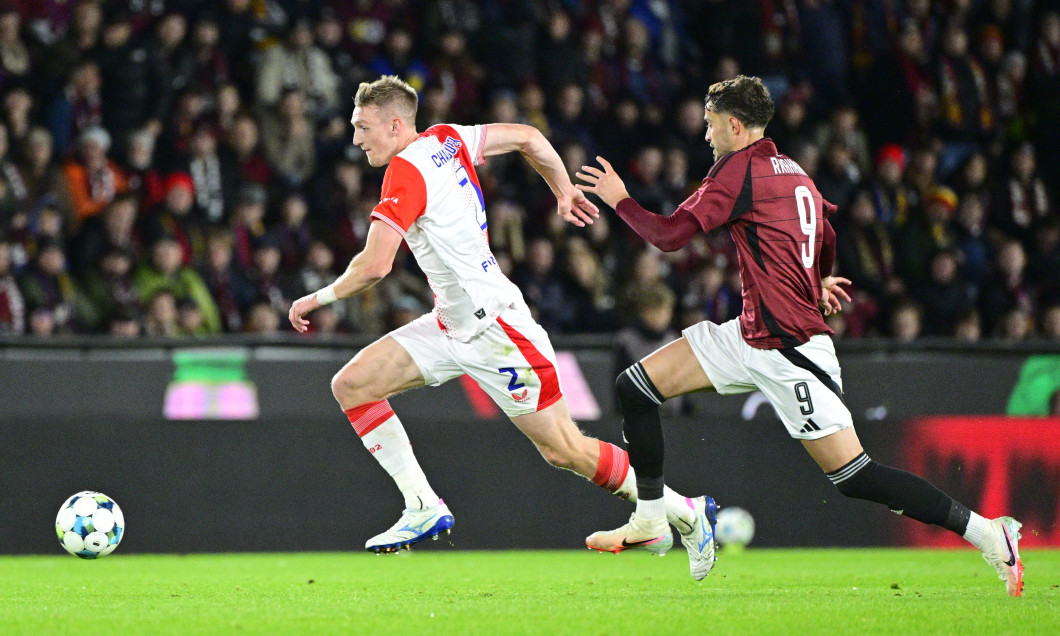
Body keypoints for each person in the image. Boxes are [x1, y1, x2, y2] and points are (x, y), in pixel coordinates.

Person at [575, 75, 1024, 596]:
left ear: (734, 125)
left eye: (711, 124)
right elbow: (827, 235)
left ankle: (989, 534)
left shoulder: (736, 171)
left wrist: (620, 199)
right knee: (636, 387)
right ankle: (655, 519)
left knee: (856, 477)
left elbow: (670, 236)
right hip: (747, 335)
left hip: (790, 351)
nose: (706, 135)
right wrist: (819, 277)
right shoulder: (794, 173)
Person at [287, 75, 717, 579]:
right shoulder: (447, 137)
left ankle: (687, 513)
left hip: (496, 331)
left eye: (363, 127)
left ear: (396, 124)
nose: (356, 138)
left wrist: (316, 298)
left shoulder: (405, 171)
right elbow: (530, 138)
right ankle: (422, 504)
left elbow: (375, 265)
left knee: (564, 449)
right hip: (451, 323)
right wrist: (561, 191)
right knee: (352, 385)